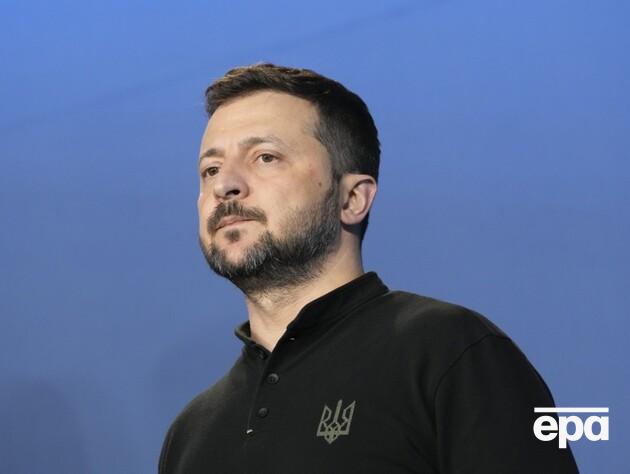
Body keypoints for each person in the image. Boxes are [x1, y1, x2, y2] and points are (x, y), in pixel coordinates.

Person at [158, 63, 579, 474]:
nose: (224, 185)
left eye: (265, 158)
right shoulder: (190, 435)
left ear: (352, 199)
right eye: (210, 169)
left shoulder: (451, 352)